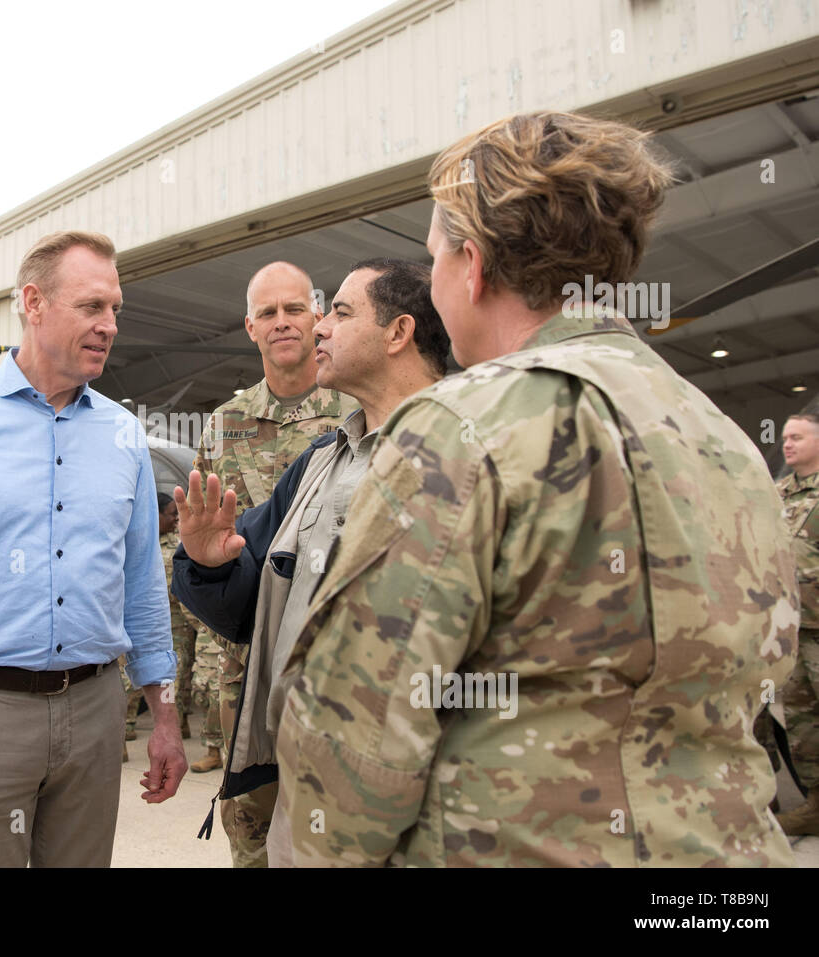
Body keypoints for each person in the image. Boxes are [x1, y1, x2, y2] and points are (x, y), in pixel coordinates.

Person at [273, 110, 799, 867]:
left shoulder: (457, 427)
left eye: (436, 259)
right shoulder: (722, 435)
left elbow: (355, 747)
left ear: (474, 265)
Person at [173, 260, 448, 859]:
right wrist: (209, 561)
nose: (314, 327)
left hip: (408, 770)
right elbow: (247, 591)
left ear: (398, 333)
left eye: (335, 313)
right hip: (286, 733)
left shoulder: (464, 449)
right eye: (268, 312)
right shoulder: (324, 459)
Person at [0, 230, 186, 867]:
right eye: (91, 307)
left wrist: (164, 717)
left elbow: (141, 580)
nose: (109, 325)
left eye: (115, 309)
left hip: (96, 712)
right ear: (32, 302)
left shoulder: (124, 435)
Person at [187, 261, 354, 865]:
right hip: (248, 665)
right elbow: (204, 543)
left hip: (341, 665)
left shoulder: (358, 409)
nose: (282, 323)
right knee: (251, 830)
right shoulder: (224, 423)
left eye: (294, 309)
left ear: (318, 318)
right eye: (268, 313)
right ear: (250, 328)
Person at [777, 411, 819, 834]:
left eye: (797, 437)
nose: (787, 444)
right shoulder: (777, 494)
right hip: (791, 626)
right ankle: (815, 805)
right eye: (785, 437)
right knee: (803, 721)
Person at [157, 492, 202, 738]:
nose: (176, 519)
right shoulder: (139, 541)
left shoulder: (178, 543)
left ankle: (177, 723)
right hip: (148, 621)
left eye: (178, 514)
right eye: (171, 514)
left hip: (178, 623)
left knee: (177, 675)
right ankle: (125, 727)